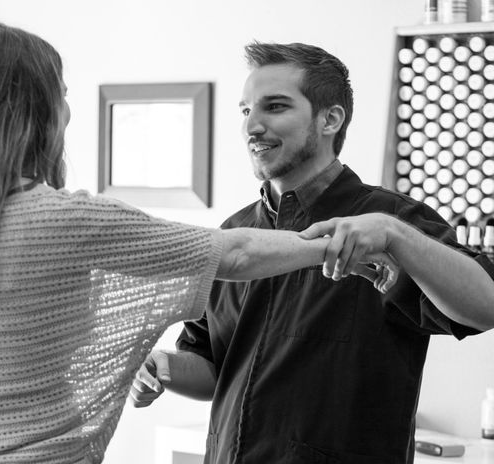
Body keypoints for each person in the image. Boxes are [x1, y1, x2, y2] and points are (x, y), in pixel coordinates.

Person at [0, 25, 399, 464]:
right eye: (61, 94)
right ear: (35, 111)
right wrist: (350, 242)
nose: (67, 112)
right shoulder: (67, 220)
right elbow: (237, 253)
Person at [130, 41, 494, 463]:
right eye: (246, 110)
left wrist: (395, 235)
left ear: (330, 119)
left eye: (275, 107)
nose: (253, 126)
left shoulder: (392, 220)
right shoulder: (234, 234)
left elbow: (485, 304)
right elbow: (214, 365)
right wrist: (163, 365)